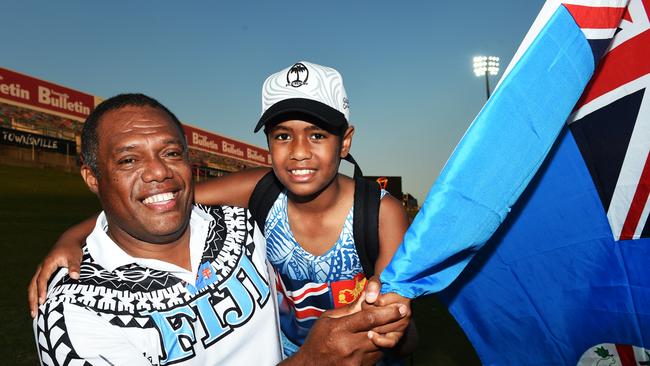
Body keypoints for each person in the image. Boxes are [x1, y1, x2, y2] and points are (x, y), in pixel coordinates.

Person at [30, 61, 415, 357]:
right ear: (268, 141)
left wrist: (392, 324)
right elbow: (162, 199)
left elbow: (395, 319)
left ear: (344, 141)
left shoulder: (379, 213)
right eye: (283, 135)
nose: (299, 151)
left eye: (317, 134)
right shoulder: (259, 189)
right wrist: (73, 235)